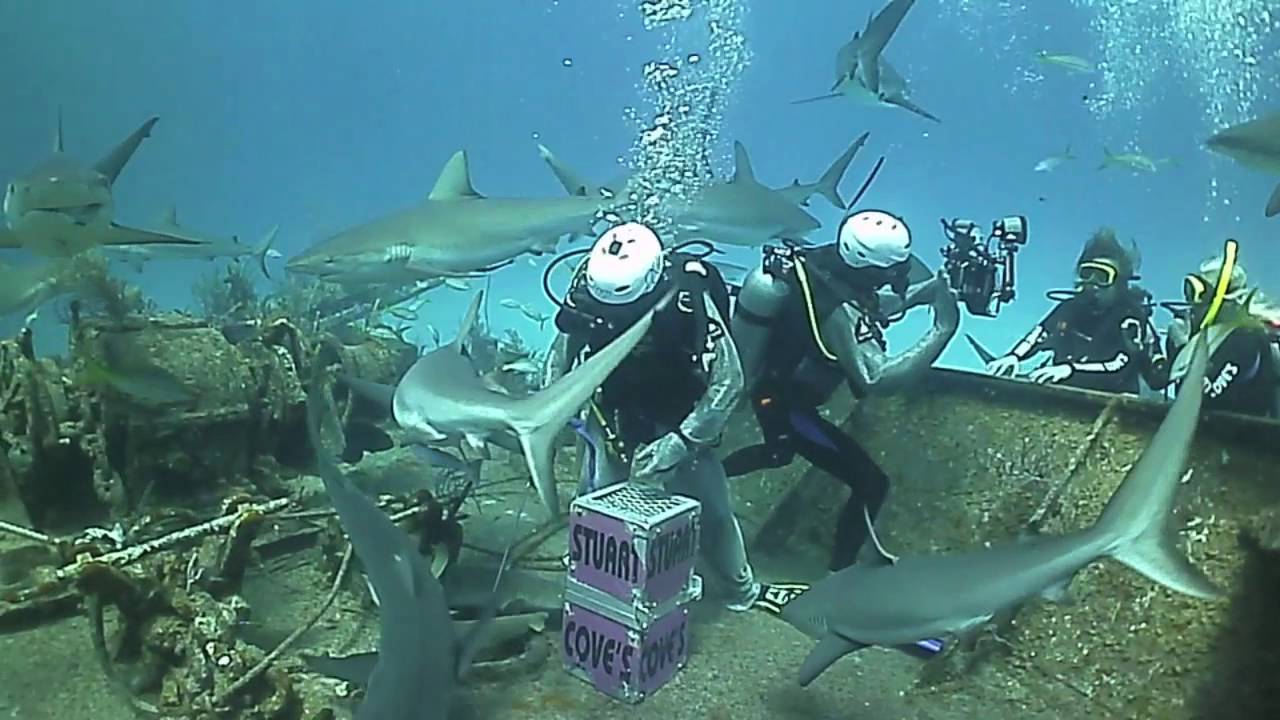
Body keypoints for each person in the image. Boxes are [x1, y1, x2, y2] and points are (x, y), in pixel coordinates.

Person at [723, 209, 960, 571]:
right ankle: (841, 573)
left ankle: (704, 472)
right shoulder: (836, 309)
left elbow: (872, 307)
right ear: (868, 266)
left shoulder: (831, 267)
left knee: (779, 452)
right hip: (786, 402)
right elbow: (873, 379)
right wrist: (943, 328)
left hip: (781, 388)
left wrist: (924, 293)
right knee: (871, 483)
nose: (899, 274)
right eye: (893, 269)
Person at [543, 221, 760, 610]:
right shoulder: (587, 295)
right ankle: (590, 572)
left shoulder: (689, 300)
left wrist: (679, 442)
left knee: (712, 508)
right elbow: (559, 358)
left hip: (680, 410)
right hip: (613, 407)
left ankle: (740, 587)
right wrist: (551, 418)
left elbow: (729, 381)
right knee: (594, 496)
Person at [986, 228, 1164, 394]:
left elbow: (1119, 364)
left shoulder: (1130, 317)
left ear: (1119, 284)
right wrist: (1013, 357)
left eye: (1102, 277)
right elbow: (1041, 333)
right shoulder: (1069, 308)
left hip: (1113, 399)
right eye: (1087, 274)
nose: (1092, 283)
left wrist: (1069, 370)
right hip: (1067, 395)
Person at [1158, 242, 1280, 417]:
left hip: (1245, 442)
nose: (1193, 303)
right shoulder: (1215, 338)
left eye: (1199, 293)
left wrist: (1181, 350)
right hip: (1215, 437)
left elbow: (1202, 400)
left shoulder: (1245, 340)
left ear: (1224, 299)